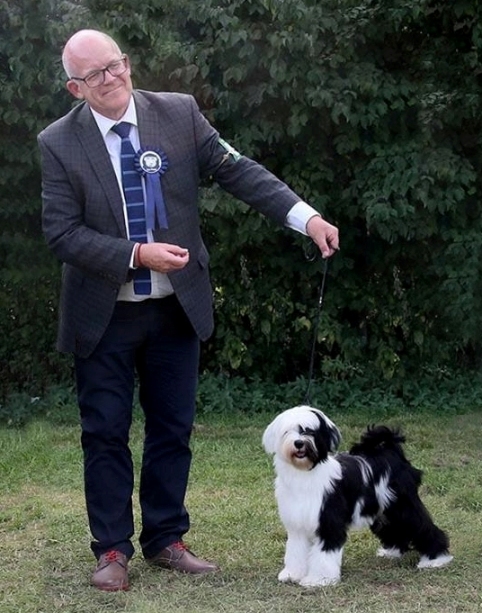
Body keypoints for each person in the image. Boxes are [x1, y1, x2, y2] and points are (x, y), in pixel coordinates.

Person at [38, 29, 339, 592]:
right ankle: (111, 550)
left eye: (117, 64)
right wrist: (135, 254)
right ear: (74, 87)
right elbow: (61, 233)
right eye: (97, 74)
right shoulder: (58, 141)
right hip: (104, 313)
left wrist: (307, 217)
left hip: (176, 307)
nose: (114, 78)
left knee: (173, 429)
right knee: (104, 432)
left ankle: (166, 539)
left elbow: (239, 169)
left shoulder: (178, 113)